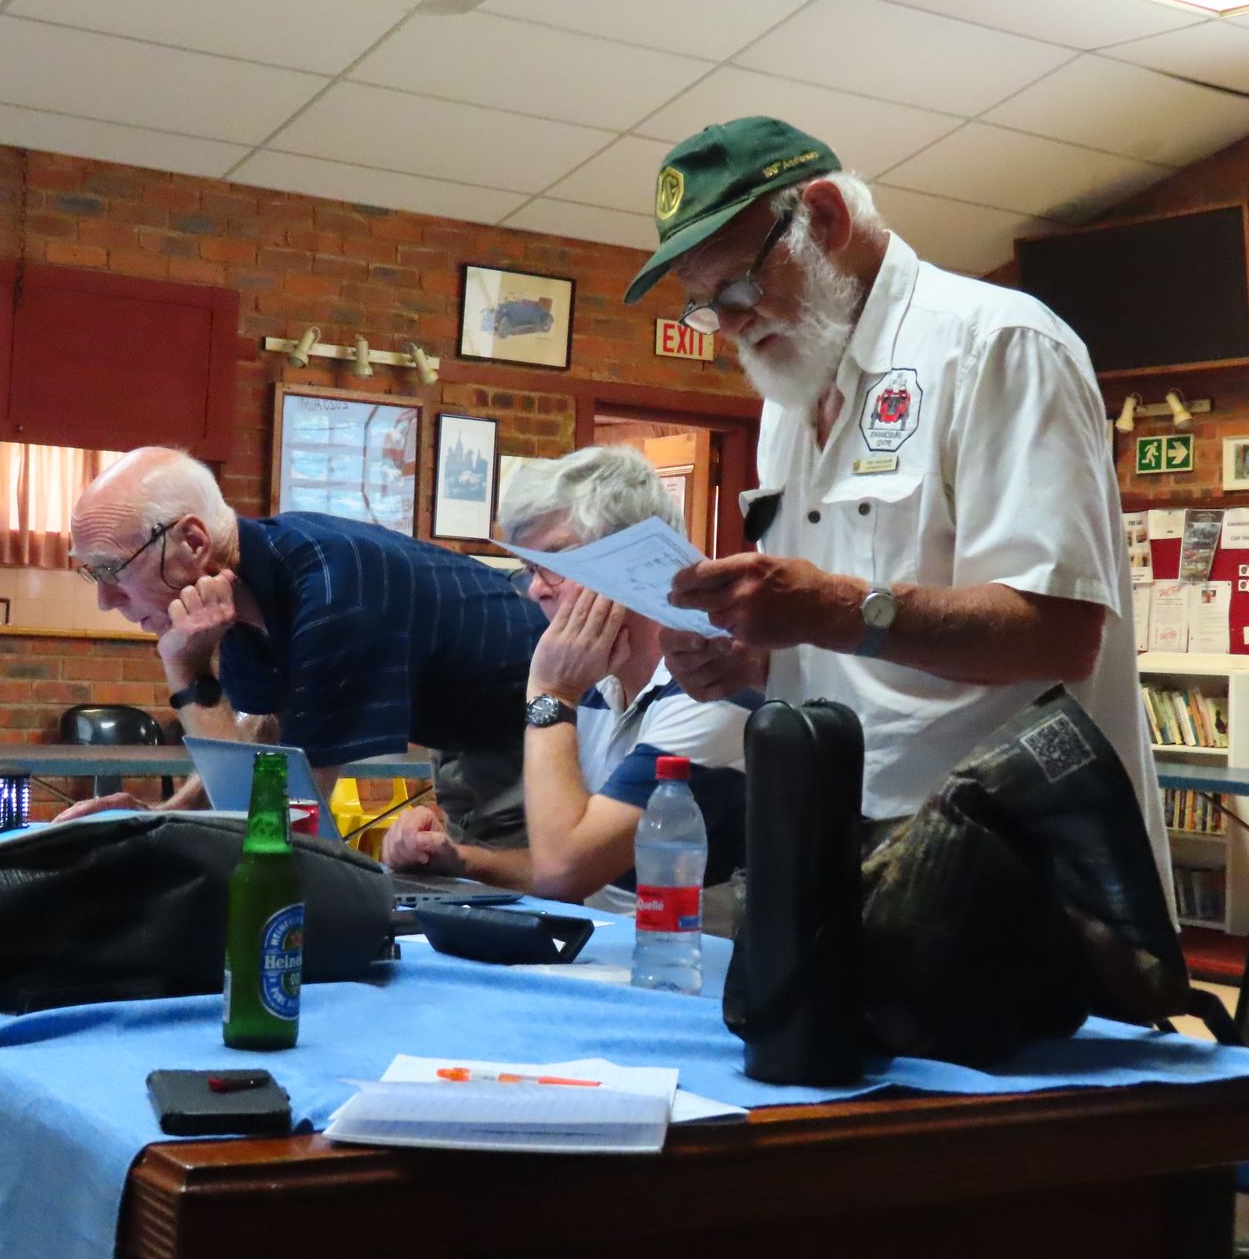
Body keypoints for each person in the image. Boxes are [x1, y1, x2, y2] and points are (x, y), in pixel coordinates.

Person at [625, 116, 1170, 894]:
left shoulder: (998, 346)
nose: (733, 326)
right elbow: (842, 651)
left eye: (740, 288)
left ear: (825, 219)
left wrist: (828, 611)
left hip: (1003, 871)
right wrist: (749, 658)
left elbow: (1058, 634)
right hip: (834, 839)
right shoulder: (791, 393)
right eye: (708, 308)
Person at [59, 447, 544, 839]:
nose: (105, 600)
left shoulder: (336, 591)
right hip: (468, 740)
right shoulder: (251, 583)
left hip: (553, 726)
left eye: (111, 569)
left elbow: (285, 829)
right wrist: (160, 817)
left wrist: (187, 671)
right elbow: (266, 736)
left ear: (193, 542)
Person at [378, 446, 748, 922]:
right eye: (531, 569)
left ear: (634, 558)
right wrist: (459, 859)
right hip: (600, 949)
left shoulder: (712, 689)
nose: (536, 588)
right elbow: (571, 863)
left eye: (555, 561)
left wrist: (550, 695)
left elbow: (565, 873)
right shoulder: (598, 683)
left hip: (683, 970)